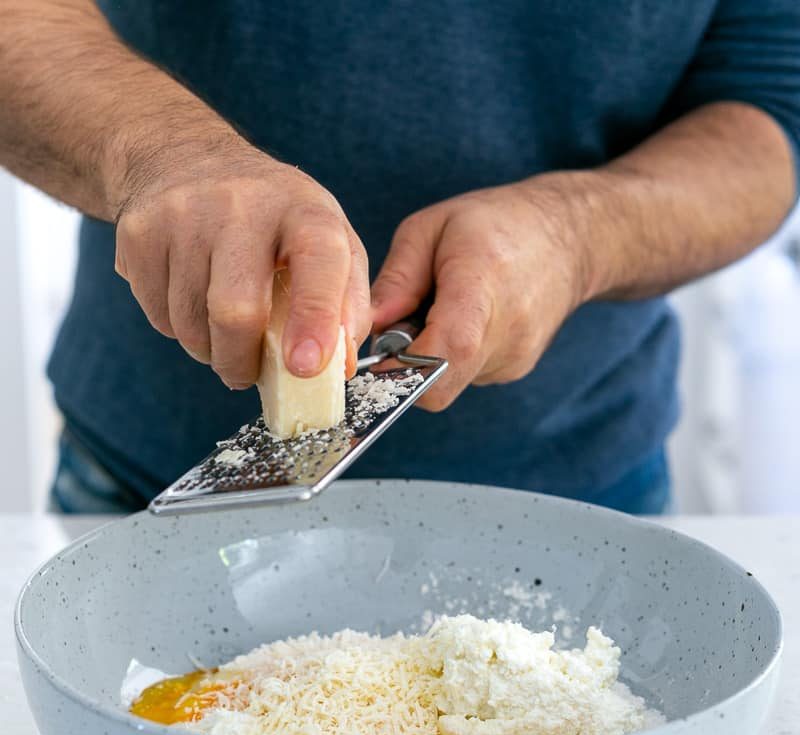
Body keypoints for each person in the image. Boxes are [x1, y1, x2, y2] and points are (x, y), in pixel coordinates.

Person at [2, 2, 798, 515]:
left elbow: (771, 101)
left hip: (579, 493)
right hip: (140, 479)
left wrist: (579, 233)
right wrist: (162, 153)